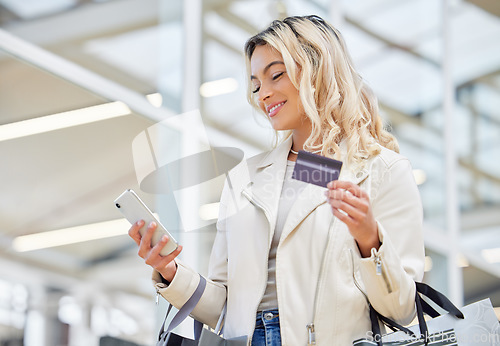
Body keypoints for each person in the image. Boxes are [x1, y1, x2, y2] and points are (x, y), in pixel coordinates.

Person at [128, 15, 425, 345]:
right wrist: (171, 272)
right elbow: (227, 307)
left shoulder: (383, 171)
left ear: (317, 71)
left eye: (276, 76)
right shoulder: (245, 178)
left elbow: (401, 310)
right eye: (256, 83)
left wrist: (370, 239)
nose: (263, 94)